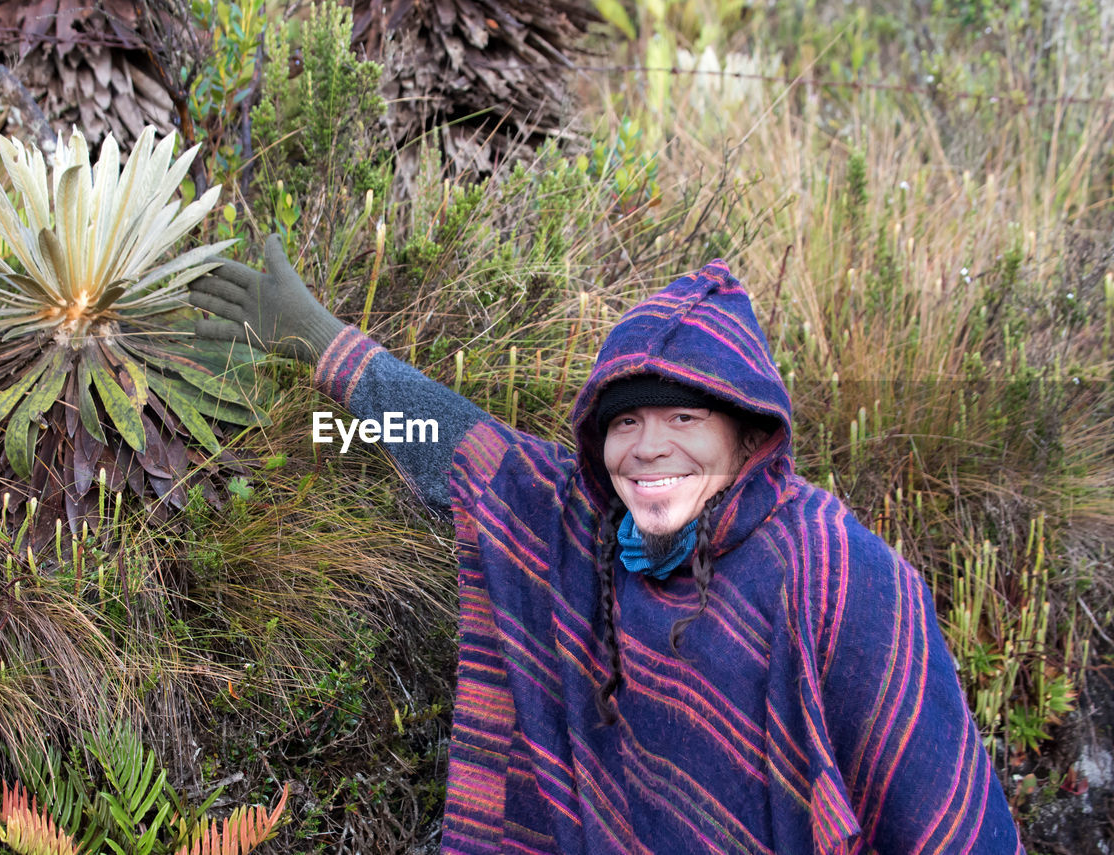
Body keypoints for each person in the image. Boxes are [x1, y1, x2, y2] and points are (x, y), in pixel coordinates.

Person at [189, 235, 1025, 853]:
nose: (650, 448)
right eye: (627, 421)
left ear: (746, 433)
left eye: (684, 418)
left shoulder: (837, 573)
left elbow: (941, 810)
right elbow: (463, 450)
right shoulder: (586, 529)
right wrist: (321, 344)